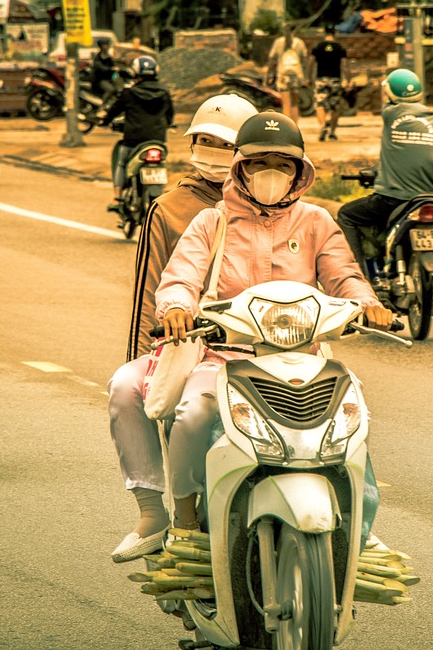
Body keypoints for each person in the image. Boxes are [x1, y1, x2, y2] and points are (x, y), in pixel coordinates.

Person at [157, 113, 394, 532]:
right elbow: (181, 277)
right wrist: (176, 307)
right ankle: (185, 515)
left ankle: (361, 530)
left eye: (283, 164)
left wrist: (366, 303)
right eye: (258, 162)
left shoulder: (317, 221)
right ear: (240, 169)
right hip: (226, 357)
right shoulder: (213, 221)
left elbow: (344, 275)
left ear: (298, 173)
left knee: (352, 422)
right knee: (192, 413)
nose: (271, 173)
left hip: (305, 359)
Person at [106, 93, 258, 562]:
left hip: (263, 345)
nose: (213, 152)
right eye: (205, 141)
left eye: (224, 144)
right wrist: (146, 358)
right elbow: (151, 291)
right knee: (135, 391)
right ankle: (157, 512)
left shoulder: (280, 208)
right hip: (189, 345)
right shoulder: (170, 208)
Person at [337, 68, 433, 272]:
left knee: (346, 215)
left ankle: (357, 274)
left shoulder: (390, 114)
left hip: (392, 199)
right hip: (430, 197)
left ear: (391, 95)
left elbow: (401, 106)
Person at [103, 55, 175, 213]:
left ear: (135, 73)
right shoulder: (164, 92)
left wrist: (105, 121)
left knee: (121, 163)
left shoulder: (129, 93)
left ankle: (116, 198)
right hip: (157, 140)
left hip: (133, 140)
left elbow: (113, 111)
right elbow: (170, 115)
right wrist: (167, 124)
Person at [311, 24, 349, 141]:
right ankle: (332, 132)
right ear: (334, 33)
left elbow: (311, 63)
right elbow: (344, 65)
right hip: (335, 80)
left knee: (320, 104)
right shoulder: (339, 48)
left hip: (321, 79)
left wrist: (308, 77)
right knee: (335, 107)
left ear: (324, 33)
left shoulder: (318, 47)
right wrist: (347, 78)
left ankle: (323, 126)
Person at [267, 25, 309, 123]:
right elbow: (304, 60)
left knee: (286, 104)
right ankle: (295, 126)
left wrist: (269, 74)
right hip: (296, 74)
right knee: (295, 104)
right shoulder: (299, 42)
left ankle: (287, 126)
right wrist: (305, 76)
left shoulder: (278, 42)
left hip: (283, 75)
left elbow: (272, 60)